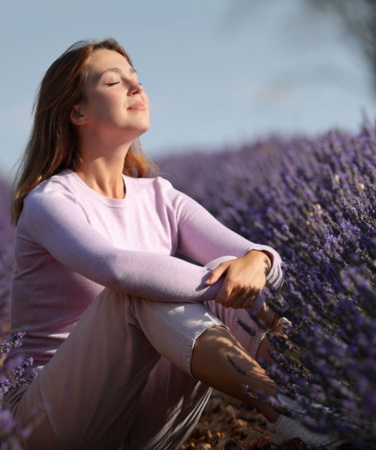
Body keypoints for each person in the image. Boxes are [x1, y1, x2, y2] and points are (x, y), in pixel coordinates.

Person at [4, 38, 342, 449]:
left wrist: (257, 259)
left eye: (137, 79)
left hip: (142, 423)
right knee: (142, 289)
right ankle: (287, 412)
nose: (136, 88)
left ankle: (321, 399)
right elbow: (116, 268)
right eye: (115, 82)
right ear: (76, 111)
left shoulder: (160, 196)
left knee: (217, 269)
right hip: (44, 426)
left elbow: (258, 260)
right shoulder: (50, 202)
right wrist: (226, 281)